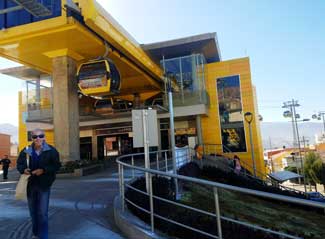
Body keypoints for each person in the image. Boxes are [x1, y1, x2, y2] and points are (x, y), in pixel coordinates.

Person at [17, 129, 61, 239]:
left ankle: (43, 236)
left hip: (44, 185)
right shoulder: (26, 150)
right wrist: (23, 170)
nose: (38, 139)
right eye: (35, 137)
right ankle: (36, 234)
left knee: (42, 213)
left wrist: (43, 170)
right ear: (31, 138)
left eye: (40, 136)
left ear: (44, 137)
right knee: (33, 212)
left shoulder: (51, 150)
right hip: (30, 185)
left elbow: (56, 166)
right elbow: (20, 164)